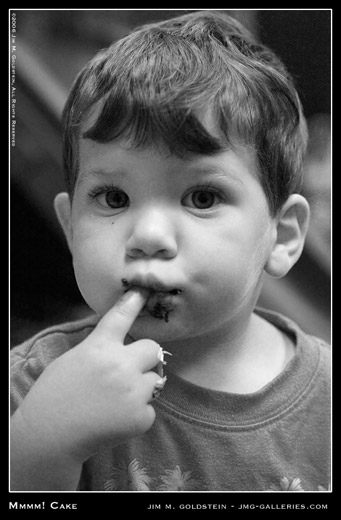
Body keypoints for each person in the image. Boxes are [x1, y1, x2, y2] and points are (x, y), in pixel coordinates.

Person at [10, 10, 330, 492]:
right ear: (71, 227)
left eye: (202, 198)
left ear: (281, 236)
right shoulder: (31, 384)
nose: (149, 235)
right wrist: (39, 448)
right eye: (114, 198)